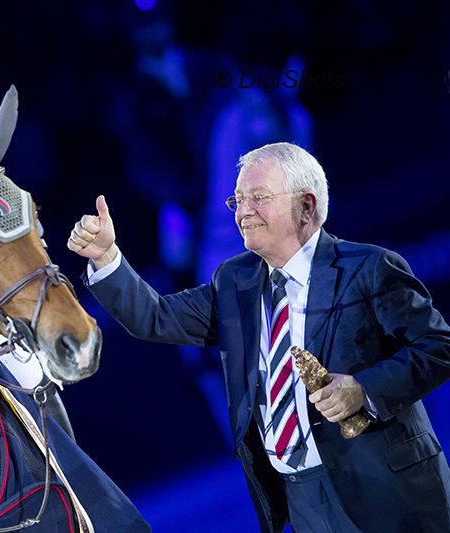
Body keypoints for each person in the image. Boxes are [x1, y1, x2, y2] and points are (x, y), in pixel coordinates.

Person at [67, 142, 450, 533]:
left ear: (306, 206)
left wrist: (362, 389)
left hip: (387, 488)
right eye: (238, 200)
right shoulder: (236, 282)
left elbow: (438, 348)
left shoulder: (368, 268)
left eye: (259, 198)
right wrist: (106, 257)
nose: (243, 211)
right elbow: (156, 317)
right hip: (301, 500)